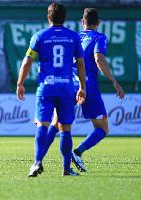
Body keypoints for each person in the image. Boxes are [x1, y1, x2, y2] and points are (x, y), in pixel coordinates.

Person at [42, 8, 125, 172]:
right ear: (98, 23)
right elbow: (98, 57)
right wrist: (114, 82)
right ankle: (78, 152)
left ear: (82, 21)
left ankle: (38, 158)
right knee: (102, 128)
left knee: (56, 122)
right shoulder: (99, 37)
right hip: (88, 85)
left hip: (66, 84)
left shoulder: (73, 36)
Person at [16, 2, 86, 177]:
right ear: (65, 18)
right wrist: (83, 87)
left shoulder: (40, 36)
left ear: (48, 17)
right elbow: (80, 63)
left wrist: (20, 83)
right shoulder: (73, 37)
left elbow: (27, 61)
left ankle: (37, 162)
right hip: (66, 88)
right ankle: (66, 169)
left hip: (46, 87)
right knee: (66, 129)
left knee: (42, 124)